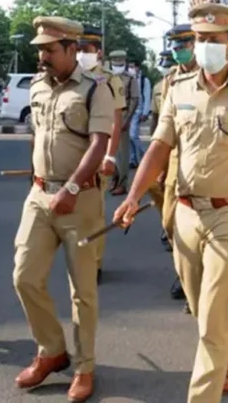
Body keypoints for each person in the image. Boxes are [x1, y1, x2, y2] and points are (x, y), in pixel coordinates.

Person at [114, 2, 228, 402]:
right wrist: (134, 196)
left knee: (210, 320)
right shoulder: (178, 90)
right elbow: (159, 147)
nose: (204, 46)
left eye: (213, 40)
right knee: (200, 306)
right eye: (199, 39)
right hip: (187, 215)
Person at [12, 16, 113, 402]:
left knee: (82, 290)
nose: (43, 56)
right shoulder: (38, 86)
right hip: (39, 197)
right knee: (24, 276)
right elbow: (37, 135)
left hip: (80, 199)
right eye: (40, 50)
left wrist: (71, 187)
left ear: (73, 50)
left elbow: (99, 143)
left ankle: (84, 367)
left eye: (50, 50)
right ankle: (51, 350)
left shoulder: (94, 90)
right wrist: (37, 180)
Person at [154, 24, 199, 310]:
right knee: (170, 222)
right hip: (174, 160)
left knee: (203, 221)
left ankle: (192, 280)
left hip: (204, 157)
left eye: (184, 45)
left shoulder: (209, 76)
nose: (179, 51)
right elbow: (161, 126)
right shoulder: (170, 81)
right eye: (176, 46)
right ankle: (185, 270)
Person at [76, 28, 126, 284]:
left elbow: (115, 121)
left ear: (98, 53)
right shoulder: (69, 77)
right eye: (78, 49)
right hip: (73, 153)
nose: (81, 54)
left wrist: (110, 157)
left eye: (86, 50)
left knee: (93, 212)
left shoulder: (108, 80)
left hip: (97, 153)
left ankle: (93, 263)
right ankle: (79, 257)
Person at [147, 49, 175, 249]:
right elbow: (156, 117)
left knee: (174, 186)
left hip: (181, 147)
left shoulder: (185, 84)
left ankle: (174, 228)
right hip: (163, 142)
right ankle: (168, 220)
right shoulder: (159, 86)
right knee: (154, 185)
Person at [109, 49, 140, 196]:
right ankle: (114, 178)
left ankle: (122, 183)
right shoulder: (106, 77)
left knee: (123, 153)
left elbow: (134, 99)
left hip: (122, 115)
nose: (117, 64)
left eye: (120, 61)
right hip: (107, 116)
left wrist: (127, 120)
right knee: (110, 152)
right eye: (115, 61)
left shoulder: (130, 78)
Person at [128, 58, 152, 168]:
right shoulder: (127, 78)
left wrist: (145, 112)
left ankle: (146, 155)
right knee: (129, 137)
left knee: (133, 135)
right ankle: (133, 159)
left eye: (133, 66)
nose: (131, 69)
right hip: (128, 111)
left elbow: (147, 96)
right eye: (130, 66)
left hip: (138, 110)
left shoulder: (144, 80)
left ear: (138, 67)